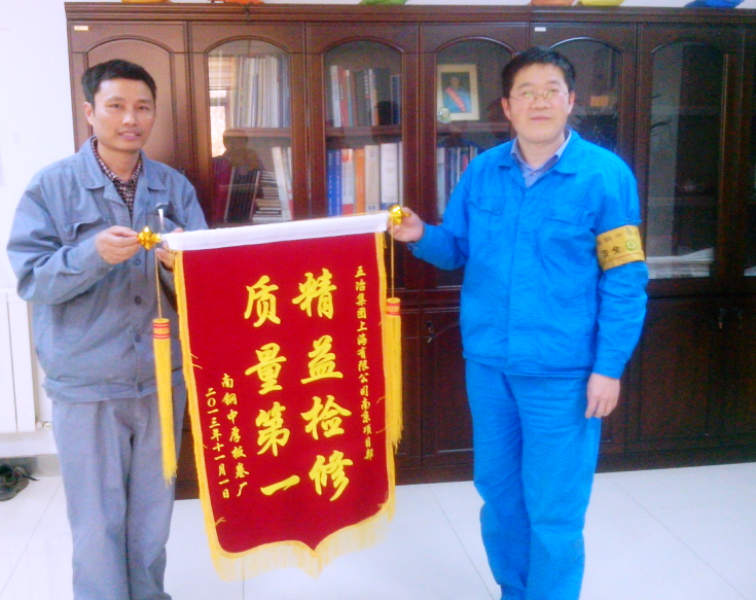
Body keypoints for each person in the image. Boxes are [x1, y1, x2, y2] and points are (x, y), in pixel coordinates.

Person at [390, 47, 648, 600]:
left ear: (571, 101)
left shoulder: (606, 177)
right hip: (489, 365)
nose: (539, 102)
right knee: (500, 494)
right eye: (526, 92)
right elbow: (456, 249)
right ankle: (515, 590)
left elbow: (625, 280)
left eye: (552, 90)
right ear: (506, 107)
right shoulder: (484, 171)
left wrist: (609, 367)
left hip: (563, 372)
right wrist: (420, 235)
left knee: (554, 506)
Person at [7, 59, 207, 600]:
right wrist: (91, 254)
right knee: (96, 521)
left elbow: (209, 279)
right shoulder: (52, 186)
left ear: (154, 113)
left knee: (153, 515)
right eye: (116, 106)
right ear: (90, 112)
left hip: (161, 378)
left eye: (142, 107)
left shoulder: (173, 187)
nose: (130, 119)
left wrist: (181, 266)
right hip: (87, 381)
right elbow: (32, 279)